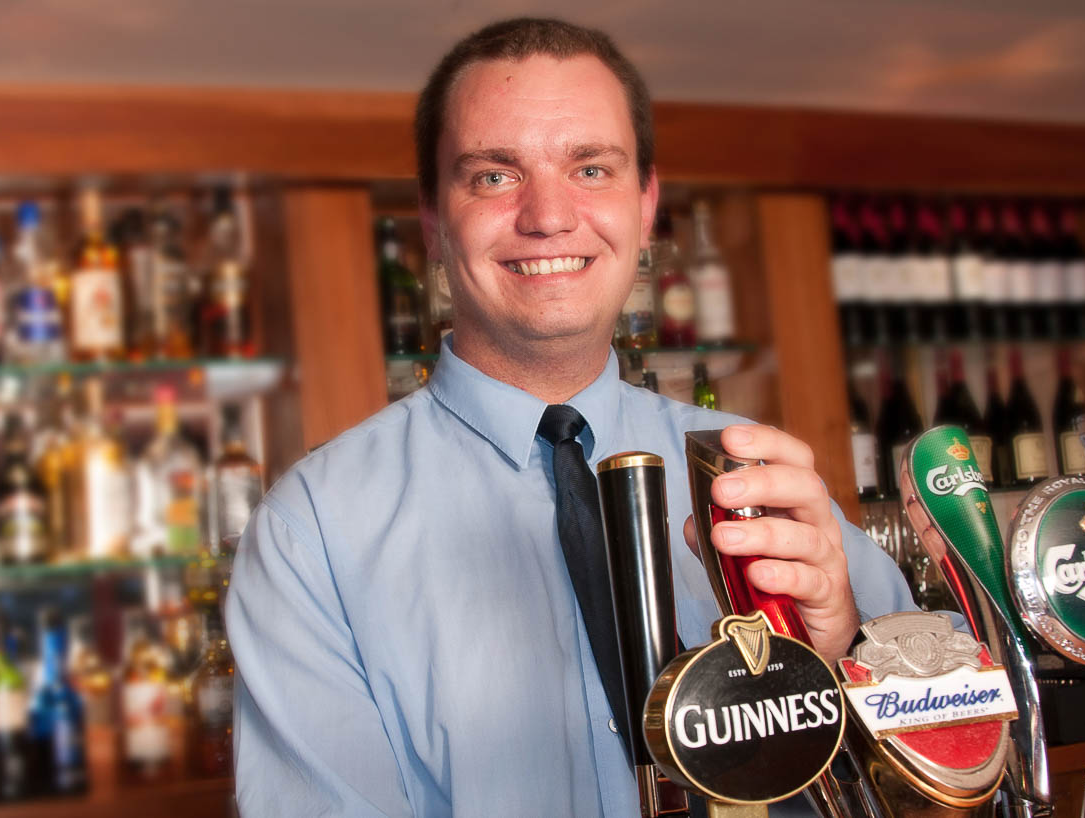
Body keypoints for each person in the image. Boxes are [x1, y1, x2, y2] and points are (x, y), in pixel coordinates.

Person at [226, 18, 916, 817]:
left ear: (646, 202)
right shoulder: (310, 534)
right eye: (493, 176)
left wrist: (842, 656)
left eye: (591, 167)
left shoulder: (757, 480)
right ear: (431, 217)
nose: (549, 215)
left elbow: (948, 767)